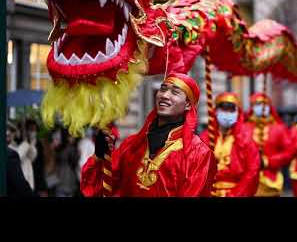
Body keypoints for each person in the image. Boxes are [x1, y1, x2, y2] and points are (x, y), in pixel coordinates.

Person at [81, 72, 217, 197]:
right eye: (163, 89)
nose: (164, 95)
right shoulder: (131, 145)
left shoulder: (199, 154)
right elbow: (99, 188)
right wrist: (100, 156)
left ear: (187, 104)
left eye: (175, 92)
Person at [200, 92, 260, 197]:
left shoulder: (246, 139)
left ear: (238, 113)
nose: (227, 113)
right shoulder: (205, 138)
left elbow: (252, 171)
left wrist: (235, 194)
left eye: (231, 110)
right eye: (224, 109)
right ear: (216, 111)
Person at [244, 93, 295, 197]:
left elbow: (289, 152)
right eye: (257, 104)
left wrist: (268, 161)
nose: (261, 107)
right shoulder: (243, 128)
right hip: (245, 182)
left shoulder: (279, 129)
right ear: (252, 107)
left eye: (264, 104)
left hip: (270, 181)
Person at [6, 122, 37, 197]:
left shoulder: (23, 145)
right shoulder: (10, 149)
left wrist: (30, 142)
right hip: (18, 189)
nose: (10, 134)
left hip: (28, 185)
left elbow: (33, 156)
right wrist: (26, 142)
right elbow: (18, 155)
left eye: (13, 131)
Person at [25, 119, 48, 196]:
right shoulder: (23, 144)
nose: (32, 132)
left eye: (34, 129)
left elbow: (42, 163)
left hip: (38, 180)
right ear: (26, 130)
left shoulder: (39, 144)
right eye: (30, 129)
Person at [55, 130, 80, 197]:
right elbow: (73, 161)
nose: (73, 138)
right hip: (65, 182)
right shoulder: (68, 149)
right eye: (70, 136)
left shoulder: (60, 148)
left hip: (66, 181)